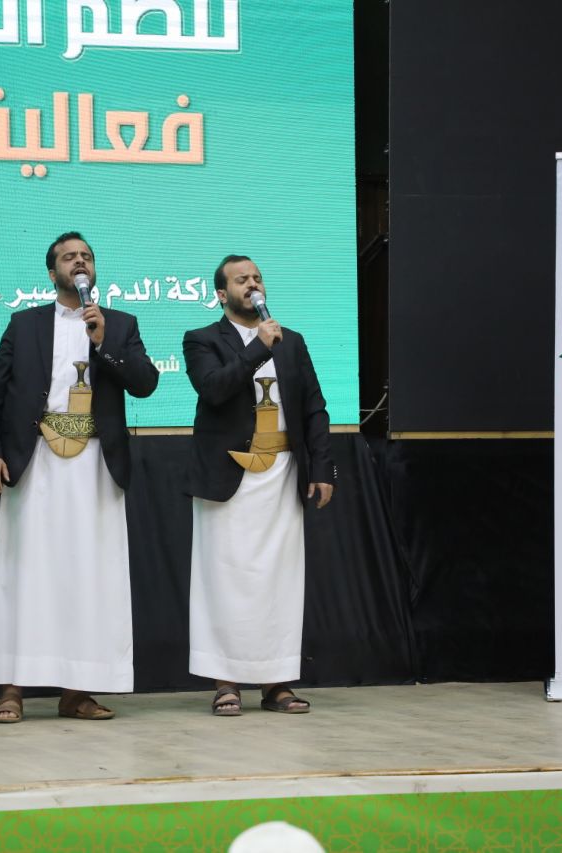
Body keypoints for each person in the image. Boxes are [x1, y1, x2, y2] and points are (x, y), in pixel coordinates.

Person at [0, 231, 159, 723]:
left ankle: (77, 692)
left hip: (96, 465)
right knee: (24, 573)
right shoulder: (24, 324)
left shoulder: (119, 323)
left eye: (87, 256)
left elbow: (145, 383)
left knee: (90, 576)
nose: (79, 262)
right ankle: (12, 688)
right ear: (52, 271)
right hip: (35, 460)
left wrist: (104, 342)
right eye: (69, 257)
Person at [182, 254, 335, 716]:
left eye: (257, 278)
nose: (252, 285)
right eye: (241, 280)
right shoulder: (201, 339)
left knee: (279, 581)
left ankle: (277, 684)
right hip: (228, 474)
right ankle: (225, 683)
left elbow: (313, 407)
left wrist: (322, 469)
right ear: (221, 294)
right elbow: (213, 389)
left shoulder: (293, 341)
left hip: (283, 473)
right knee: (223, 579)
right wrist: (258, 348)